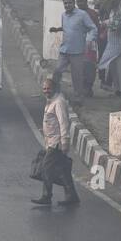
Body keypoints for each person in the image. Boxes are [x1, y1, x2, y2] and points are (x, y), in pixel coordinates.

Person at [33, 77, 80, 206]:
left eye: (48, 88)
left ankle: (46, 196)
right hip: (51, 142)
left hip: (57, 143)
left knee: (46, 168)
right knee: (63, 170)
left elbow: (63, 122)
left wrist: (64, 142)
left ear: (54, 88)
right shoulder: (50, 101)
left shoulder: (58, 102)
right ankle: (72, 195)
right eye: (44, 88)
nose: (46, 91)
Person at [49, 0, 97, 100]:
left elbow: (93, 28)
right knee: (57, 71)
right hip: (64, 50)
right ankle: (55, 94)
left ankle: (78, 98)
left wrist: (89, 39)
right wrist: (57, 29)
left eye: (69, 3)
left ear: (74, 3)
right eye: (65, 3)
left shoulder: (82, 15)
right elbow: (67, 29)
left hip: (77, 52)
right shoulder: (63, 15)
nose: (67, 5)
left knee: (77, 77)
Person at [97, 0, 121, 96]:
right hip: (111, 42)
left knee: (120, 67)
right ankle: (117, 88)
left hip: (120, 43)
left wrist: (108, 24)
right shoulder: (112, 10)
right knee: (112, 66)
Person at [76, 0, 102, 96]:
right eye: (77, 2)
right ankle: (82, 88)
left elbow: (96, 28)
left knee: (90, 66)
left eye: (81, 1)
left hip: (91, 44)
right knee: (79, 66)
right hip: (78, 44)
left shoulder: (92, 13)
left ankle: (89, 87)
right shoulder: (75, 13)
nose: (79, 3)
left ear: (86, 1)